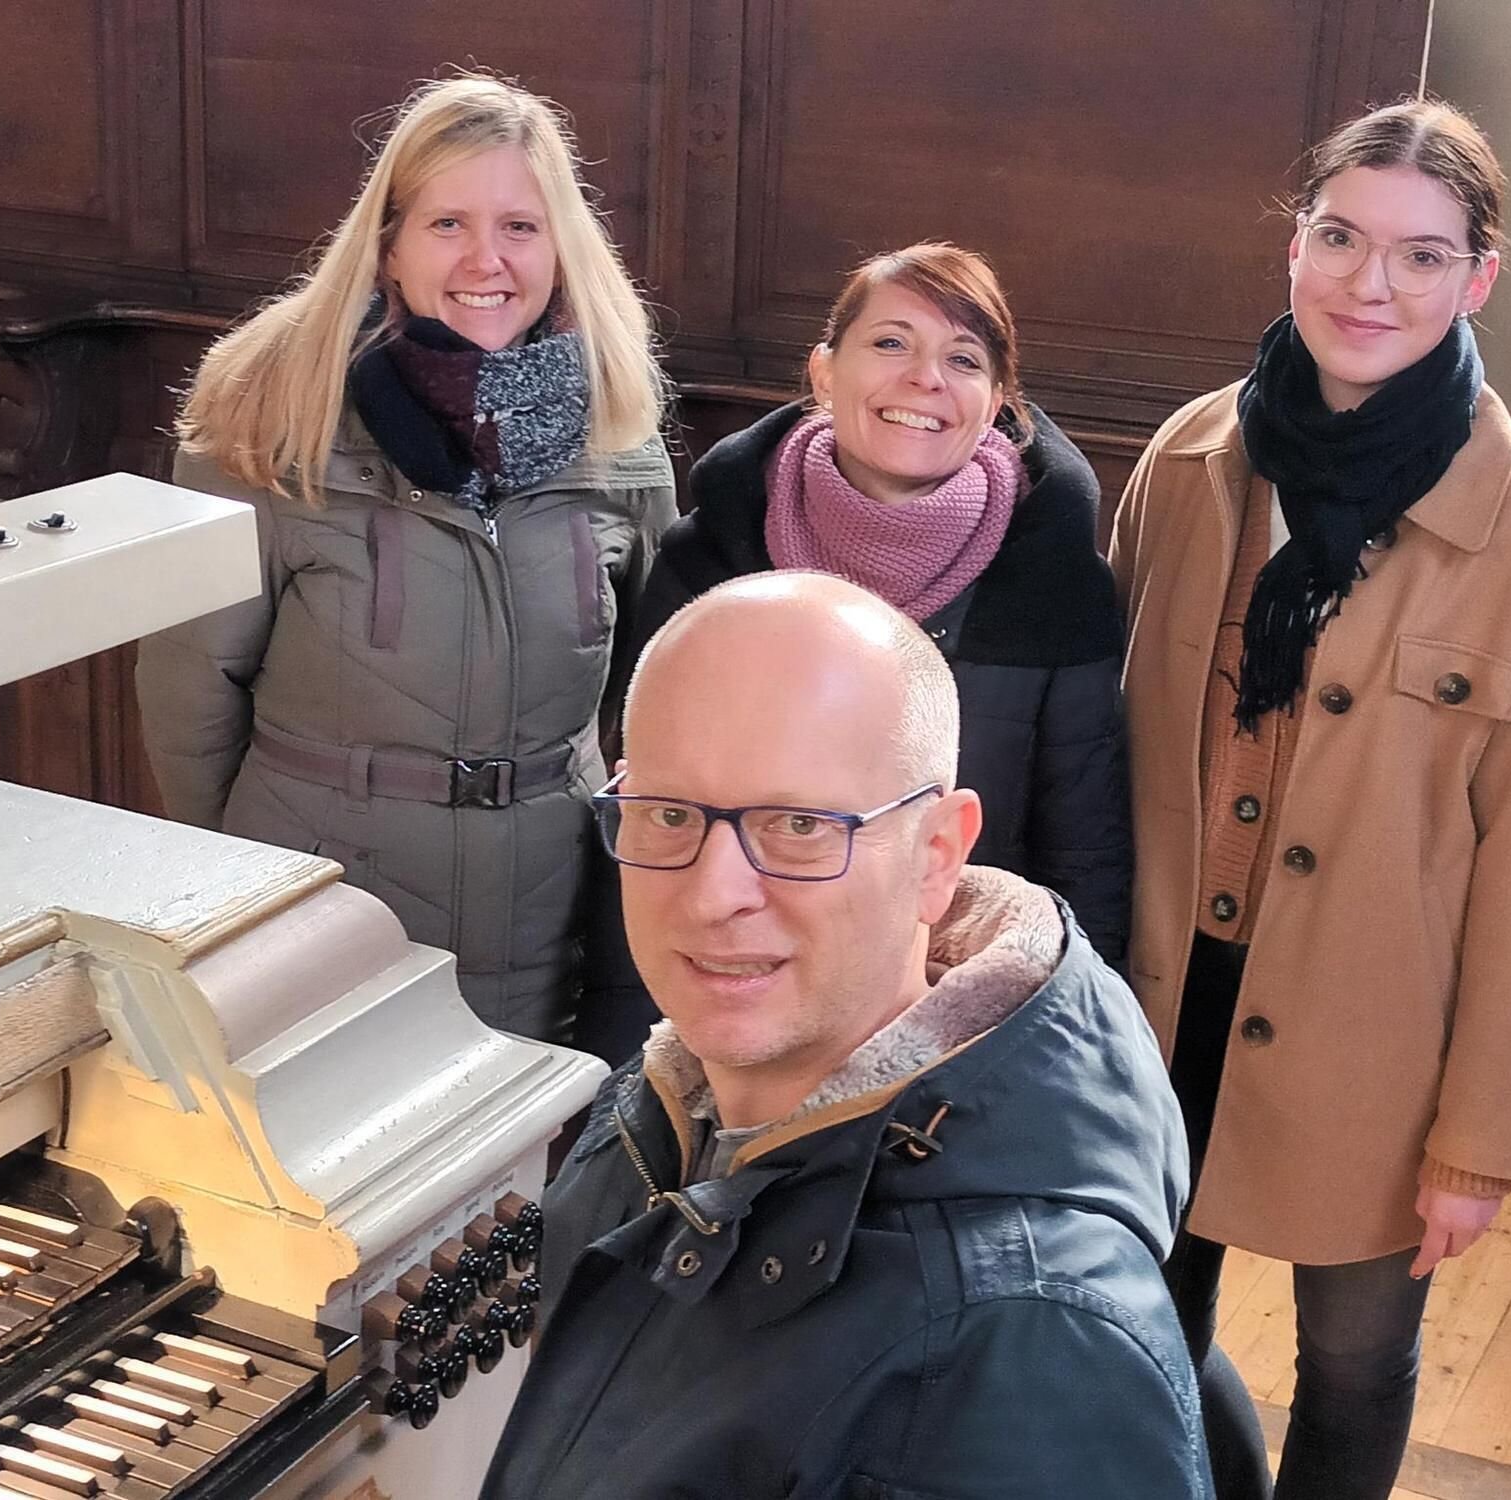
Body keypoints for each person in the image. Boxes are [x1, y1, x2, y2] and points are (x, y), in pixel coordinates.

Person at [1109, 99, 1511, 1499]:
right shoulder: (1190, 461)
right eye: (1339, 237)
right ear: (1294, 248)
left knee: (1351, 1363)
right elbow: (1111, 759)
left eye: (1419, 253)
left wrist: (1479, 1142)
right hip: (1162, 1005)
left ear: (1477, 279)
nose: (1369, 283)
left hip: (1378, 1045)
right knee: (1146, 1330)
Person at [482, 573, 1210, 1499]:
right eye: (668, 815)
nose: (712, 898)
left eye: (798, 826)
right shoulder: (666, 1098)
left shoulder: (1023, 1343)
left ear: (938, 856)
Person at [135, 73, 675, 1043]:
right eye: (446, 225)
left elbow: (639, 688)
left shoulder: (619, 432)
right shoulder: (267, 417)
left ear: (559, 247)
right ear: (387, 243)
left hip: (545, 907)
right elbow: (191, 686)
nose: (486, 259)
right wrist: (240, 878)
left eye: (519, 226)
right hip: (319, 900)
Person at [577, 242, 1130, 1065]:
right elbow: (647, 818)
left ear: (997, 401)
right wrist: (630, 1052)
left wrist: (1063, 1056)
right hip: (728, 990)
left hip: (946, 1031)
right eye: (891, 342)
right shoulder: (712, 553)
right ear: (824, 372)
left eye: (963, 358)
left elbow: (1082, 858)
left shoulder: (1054, 580)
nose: (925, 379)